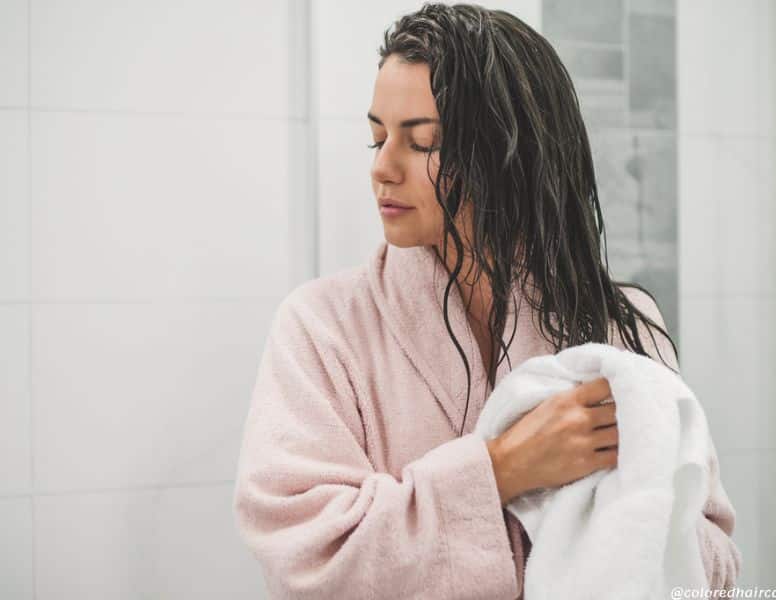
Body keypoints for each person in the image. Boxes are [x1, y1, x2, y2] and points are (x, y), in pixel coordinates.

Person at [232, 4, 742, 598]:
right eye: (377, 137)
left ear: (510, 153)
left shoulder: (621, 325)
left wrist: (636, 503)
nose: (382, 167)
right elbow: (306, 558)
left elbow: (714, 567)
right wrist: (501, 470)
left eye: (422, 142)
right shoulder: (322, 329)